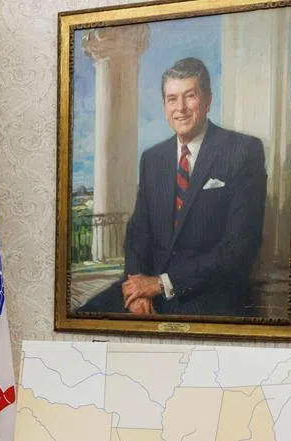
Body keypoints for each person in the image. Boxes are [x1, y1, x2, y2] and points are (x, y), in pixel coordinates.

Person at [77, 57, 267, 317]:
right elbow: (137, 233)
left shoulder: (243, 151)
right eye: (172, 99)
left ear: (208, 100)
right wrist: (137, 289)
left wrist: (161, 284)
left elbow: (239, 248)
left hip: (209, 294)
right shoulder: (153, 159)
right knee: (83, 316)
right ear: (164, 105)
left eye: (190, 96)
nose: (181, 108)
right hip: (148, 288)